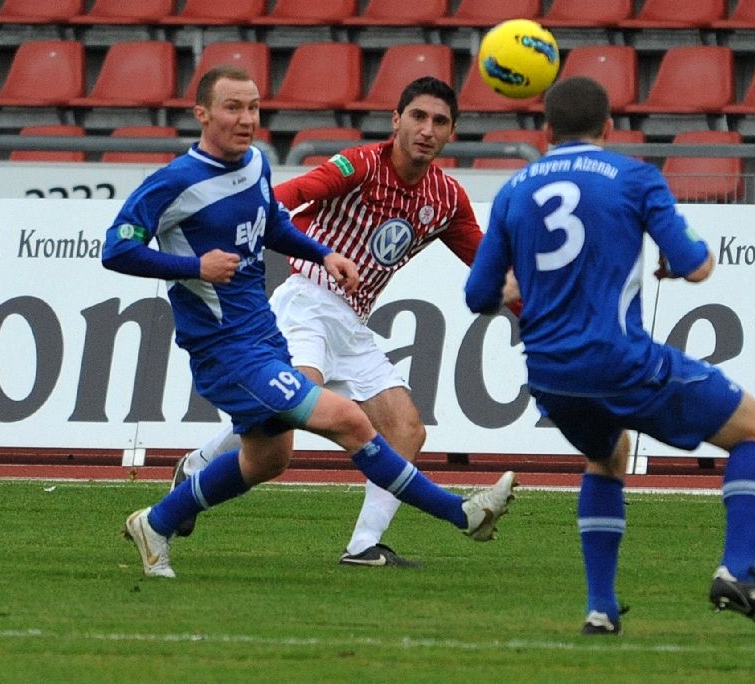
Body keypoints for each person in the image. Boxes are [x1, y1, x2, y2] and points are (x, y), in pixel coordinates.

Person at [102, 65, 516, 579]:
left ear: (452, 132)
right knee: (339, 416)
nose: (427, 130)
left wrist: (324, 253)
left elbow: (271, 220)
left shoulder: (256, 164)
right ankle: (463, 512)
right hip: (289, 313)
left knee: (296, 452)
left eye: (254, 107)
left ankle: (353, 543)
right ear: (396, 120)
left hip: (330, 321)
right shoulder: (355, 165)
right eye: (417, 116)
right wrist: (198, 265)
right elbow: (118, 248)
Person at [464, 76, 755, 639]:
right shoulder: (635, 176)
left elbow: (478, 297)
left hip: (548, 374)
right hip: (620, 361)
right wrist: (676, 259)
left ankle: (601, 608)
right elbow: (696, 265)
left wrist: (516, 287)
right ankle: (738, 571)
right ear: (609, 128)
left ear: (545, 131)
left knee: (608, 455)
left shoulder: (514, 190)